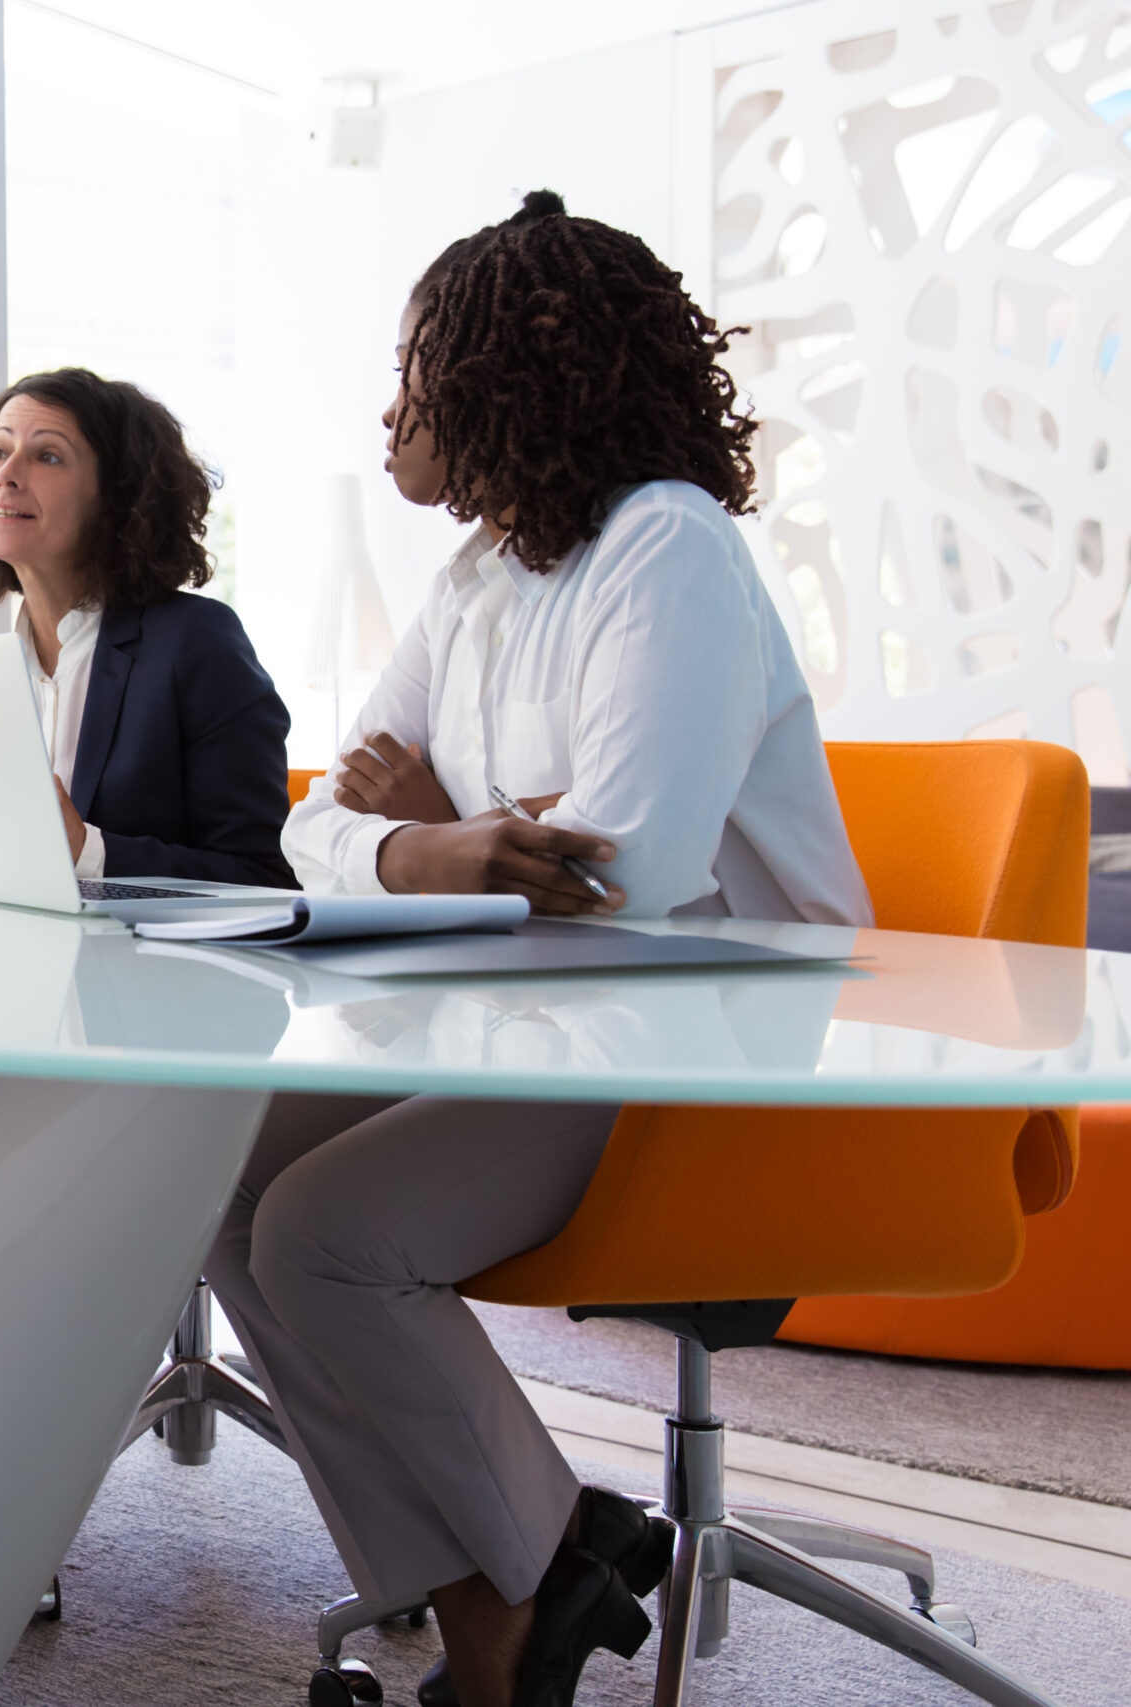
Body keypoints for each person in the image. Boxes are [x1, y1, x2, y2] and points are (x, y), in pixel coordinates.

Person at [204, 192, 873, 1707]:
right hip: (547, 1020)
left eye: (413, 373)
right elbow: (313, 826)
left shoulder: (670, 549)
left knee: (326, 1229)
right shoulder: (479, 583)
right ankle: (512, 1578)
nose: (390, 415)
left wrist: (436, 824)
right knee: (218, 1173)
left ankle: (534, 1577)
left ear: (505, 370)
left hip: (724, 1050)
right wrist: (445, 838)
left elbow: (625, 869)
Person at [0, 366, 296, 1128]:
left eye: (47, 455)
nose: (5, 473)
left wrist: (88, 851)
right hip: (8, 1013)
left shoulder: (194, 644)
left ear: (118, 494)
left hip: (145, 1038)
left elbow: (265, 885)